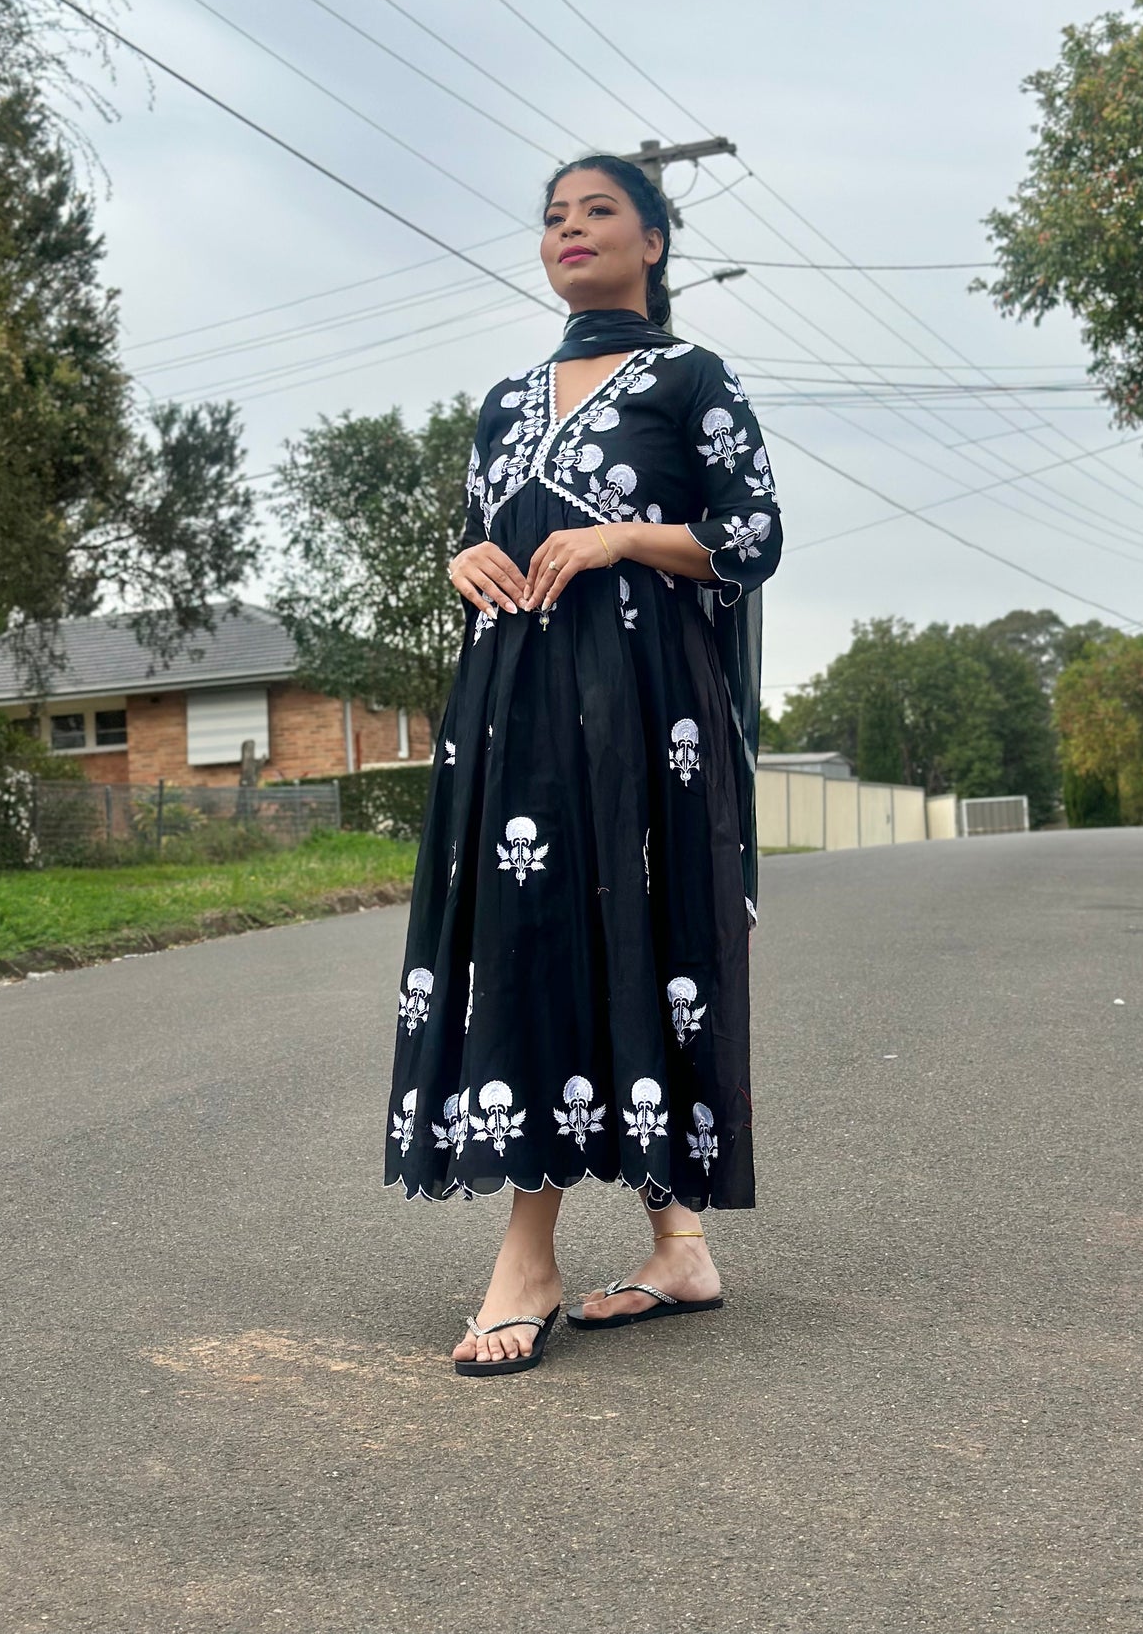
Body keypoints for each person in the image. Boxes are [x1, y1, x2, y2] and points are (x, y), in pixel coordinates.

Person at [383, 153, 783, 1376]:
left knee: (645, 935)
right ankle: (674, 1246)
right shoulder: (504, 400)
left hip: (649, 707)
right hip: (514, 706)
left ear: (653, 240)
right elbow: (479, 536)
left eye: (598, 211)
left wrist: (617, 536)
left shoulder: (689, 377)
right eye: (552, 216)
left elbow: (750, 534)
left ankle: (533, 1263)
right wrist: (459, 562)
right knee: (532, 934)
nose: (569, 230)